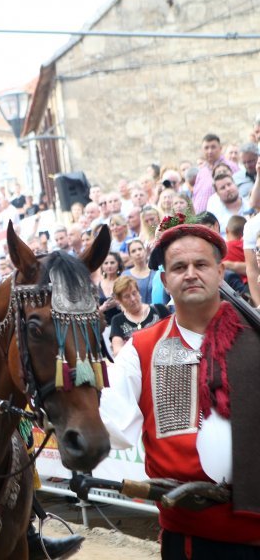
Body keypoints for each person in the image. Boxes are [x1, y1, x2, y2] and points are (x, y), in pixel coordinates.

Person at [100, 222, 260, 557]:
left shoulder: (255, 339)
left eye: (200, 265)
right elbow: (109, 427)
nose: (190, 274)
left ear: (219, 271)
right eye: (178, 267)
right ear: (164, 281)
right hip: (191, 540)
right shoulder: (140, 350)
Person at [108, 275, 170, 356]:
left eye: (134, 293)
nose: (133, 299)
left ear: (138, 292)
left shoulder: (160, 310)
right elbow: (117, 351)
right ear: (119, 300)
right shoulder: (117, 321)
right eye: (127, 296)